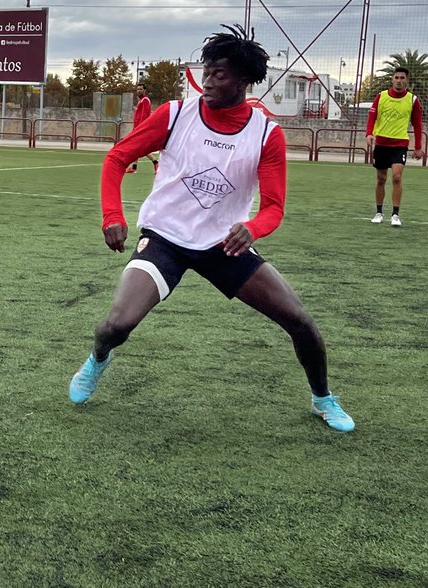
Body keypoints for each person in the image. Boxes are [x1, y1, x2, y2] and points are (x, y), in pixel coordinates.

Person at [68, 25, 355, 432]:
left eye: (219, 73)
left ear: (243, 79)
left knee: (299, 321)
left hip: (224, 245)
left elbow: (274, 208)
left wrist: (253, 228)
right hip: (165, 237)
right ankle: (98, 359)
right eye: (207, 71)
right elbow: (116, 158)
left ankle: (323, 399)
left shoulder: (266, 135)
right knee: (116, 325)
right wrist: (112, 215)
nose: (208, 81)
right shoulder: (175, 114)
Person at [364, 67, 424, 226]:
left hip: (400, 144)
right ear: (392, 79)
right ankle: (378, 212)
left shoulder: (412, 100)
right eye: (396, 77)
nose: (399, 80)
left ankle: (395, 215)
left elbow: (417, 125)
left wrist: (418, 147)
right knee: (381, 179)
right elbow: (372, 116)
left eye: (402, 78)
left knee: (397, 177)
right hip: (382, 143)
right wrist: (369, 133)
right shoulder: (381, 96)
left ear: (407, 81)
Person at [125, 83, 159, 174]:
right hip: (137, 128)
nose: (138, 91)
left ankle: (156, 163)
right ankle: (134, 168)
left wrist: (140, 129)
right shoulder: (140, 101)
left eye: (140, 89)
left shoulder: (145, 100)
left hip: (140, 129)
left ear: (145, 90)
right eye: (137, 89)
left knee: (140, 149)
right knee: (135, 148)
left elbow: (144, 116)